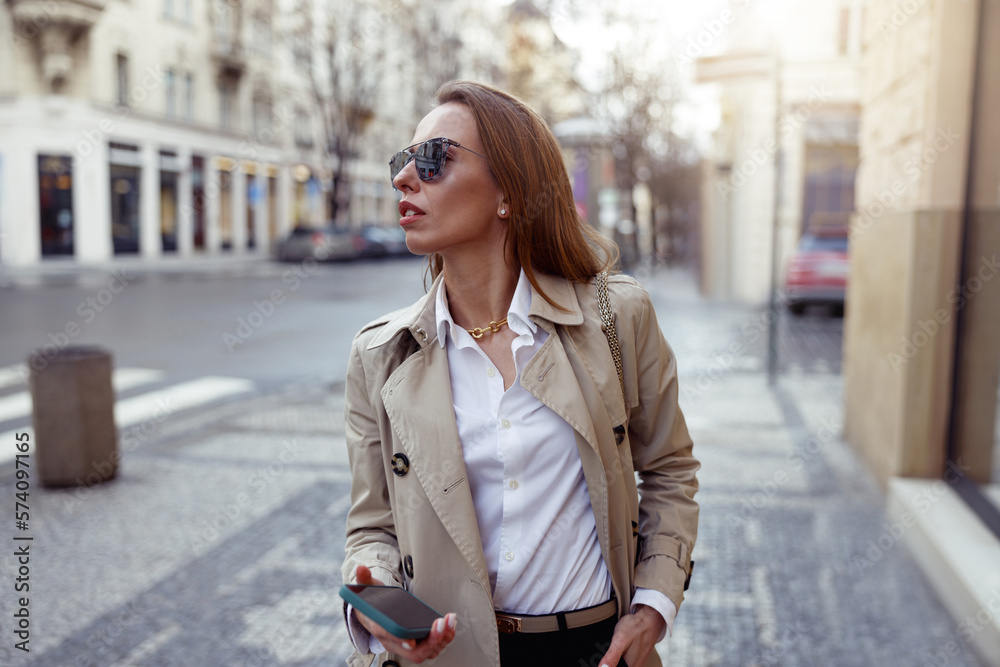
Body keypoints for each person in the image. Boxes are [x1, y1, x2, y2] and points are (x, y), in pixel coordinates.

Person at [341, 80, 699, 667]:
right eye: (402, 162)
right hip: (447, 656)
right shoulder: (381, 355)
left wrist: (654, 605)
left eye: (432, 160)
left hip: (593, 649)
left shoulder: (617, 317)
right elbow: (372, 527)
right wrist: (373, 601)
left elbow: (669, 470)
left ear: (509, 189)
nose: (404, 179)